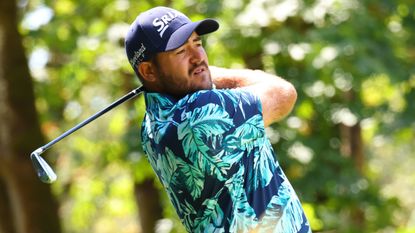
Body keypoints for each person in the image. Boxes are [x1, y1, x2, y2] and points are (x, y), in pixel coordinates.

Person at [125, 6, 311, 233]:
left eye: (198, 44)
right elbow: (283, 93)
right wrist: (208, 71)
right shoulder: (201, 112)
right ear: (149, 71)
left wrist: (196, 72)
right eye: (181, 51)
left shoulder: (151, 127)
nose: (198, 57)